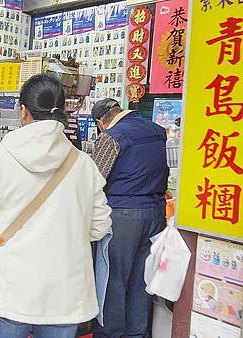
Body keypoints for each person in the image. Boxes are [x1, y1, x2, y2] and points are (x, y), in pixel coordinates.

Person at [0, 74, 112, 338]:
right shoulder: (84, 165)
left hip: (8, 287)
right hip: (65, 292)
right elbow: (99, 227)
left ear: (23, 112)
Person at [90, 98, 169, 338]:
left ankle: (110, 333)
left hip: (123, 215)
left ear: (100, 122)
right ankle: (137, 333)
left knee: (113, 279)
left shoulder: (112, 136)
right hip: (155, 213)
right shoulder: (157, 131)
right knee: (141, 279)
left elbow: (95, 179)